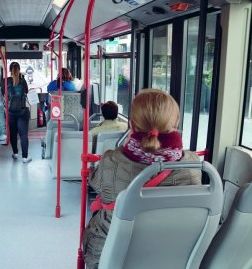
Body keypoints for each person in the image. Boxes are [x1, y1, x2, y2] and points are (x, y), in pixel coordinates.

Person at [82, 89, 202, 269]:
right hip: (170, 254)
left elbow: (95, 183)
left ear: (131, 125)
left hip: (113, 254)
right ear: (176, 123)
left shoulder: (111, 162)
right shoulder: (194, 166)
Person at [2, 62, 32, 163]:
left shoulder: (5, 81)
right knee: (23, 134)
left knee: (13, 133)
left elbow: (3, 93)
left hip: (10, 112)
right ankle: (25, 157)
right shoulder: (23, 81)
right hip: (22, 111)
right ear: (19, 70)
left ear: (10, 70)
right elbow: (26, 92)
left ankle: (15, 153)